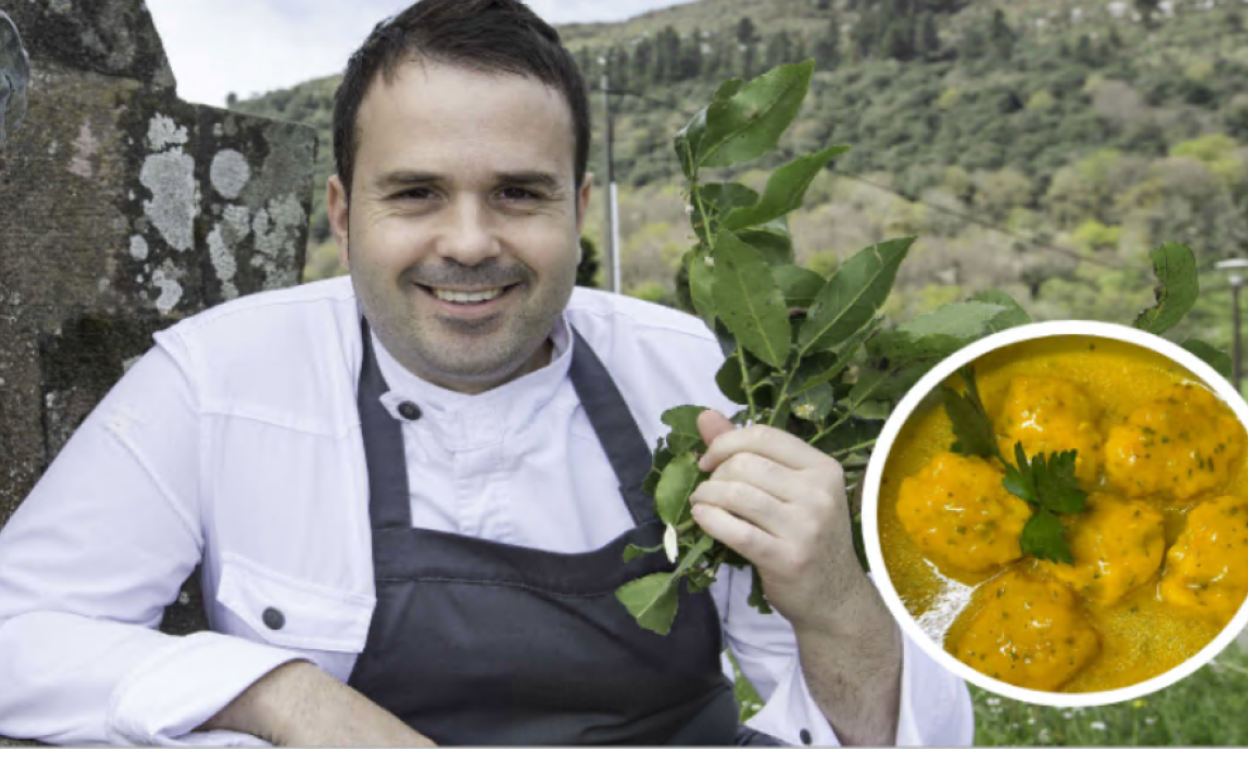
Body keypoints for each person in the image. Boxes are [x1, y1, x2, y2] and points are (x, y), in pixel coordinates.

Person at [0, 0, 973, 747]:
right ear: (342, 213)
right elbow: (18, 630)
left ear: (579, 208)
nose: (468, 242)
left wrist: (842, 600)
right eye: (416, 192)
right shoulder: (218, 379)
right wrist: (281, 693)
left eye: (519, 193)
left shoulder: (697, 374)